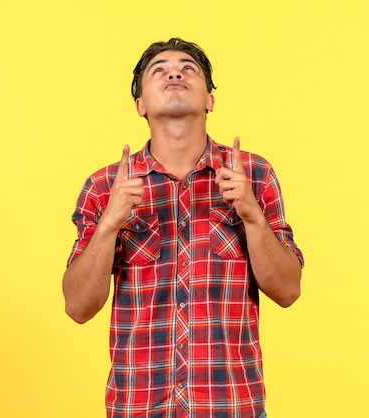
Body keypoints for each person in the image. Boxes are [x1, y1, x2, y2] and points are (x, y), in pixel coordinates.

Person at [63, 37, 304, 418]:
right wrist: (109, 225)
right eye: (159, 70)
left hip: (231, 405)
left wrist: (253, 215)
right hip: (137, 408)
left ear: (209, 99)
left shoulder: (252, 175)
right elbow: (78, 307)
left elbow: (288, 290)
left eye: (188, 68)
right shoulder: (105, 186)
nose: (174, 72)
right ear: (140, 105)